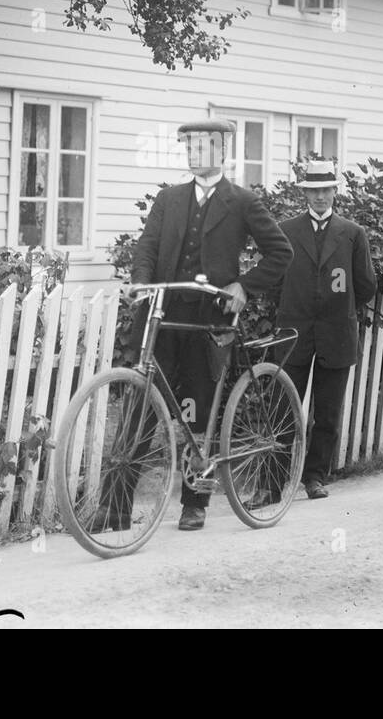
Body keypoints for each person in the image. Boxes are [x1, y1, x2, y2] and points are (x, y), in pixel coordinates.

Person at [129, 119, 293, 530]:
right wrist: (141, 285)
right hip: (164, 314)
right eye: (190, 146)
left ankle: (194, 504)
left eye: (205, 146)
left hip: (210, 319)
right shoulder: (169, 199)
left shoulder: (242, 202)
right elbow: (146, 248)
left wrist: (243, 285)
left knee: (198, 410)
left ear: (222, 152)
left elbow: (280, 252)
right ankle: (113, 506)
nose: (195, 153)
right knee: (141, 403)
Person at [274, 160, 377, 499]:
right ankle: (273, 484)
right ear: (305, 193)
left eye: (325, 190)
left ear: (335, 191)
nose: (320, 197)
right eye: (313, 191)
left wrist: (339, 309)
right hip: (295, 332)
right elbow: (275, 282)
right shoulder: (286, 230)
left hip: (336, 333)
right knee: (284, 408)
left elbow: (365, 286)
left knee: (328, 412)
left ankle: (315, 476)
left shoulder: (352, 233)